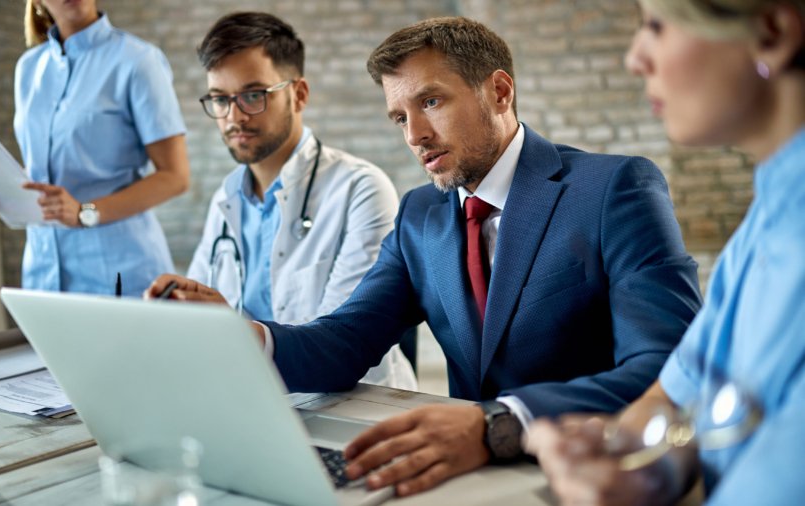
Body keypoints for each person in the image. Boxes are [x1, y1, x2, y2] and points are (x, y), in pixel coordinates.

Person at [148, 16, 701, 496]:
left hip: (589, 474)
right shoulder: (421, 216)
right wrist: (248, 337)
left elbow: (667, 367)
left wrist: (497, 425)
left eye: (430, 101)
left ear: (500, 92)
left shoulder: (613, 189)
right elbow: (348, 339)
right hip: (467, 482)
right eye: (398, 116)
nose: (414, 134)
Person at [525, 1, 805, 505]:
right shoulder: (766, 219)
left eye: (656, 25)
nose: (635, 59)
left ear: (772, 34)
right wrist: (642, 464)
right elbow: (676, 394)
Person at [184, 12, 416, 389]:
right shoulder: (226, 198)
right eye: (220, 100)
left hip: (348, 406)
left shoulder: (361, 189)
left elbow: (337, 346)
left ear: (300, 94)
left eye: (253, 95)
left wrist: (232, 332)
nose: (234, 116)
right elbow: (196, 317)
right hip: (248, 394)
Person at [0, 0, 189, 296]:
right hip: (42, 270)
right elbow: (43, 174)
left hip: (121, 271)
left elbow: (175, 177)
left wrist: (84, 212)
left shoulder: (138, 61)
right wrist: (2, 190)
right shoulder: (29, 69)